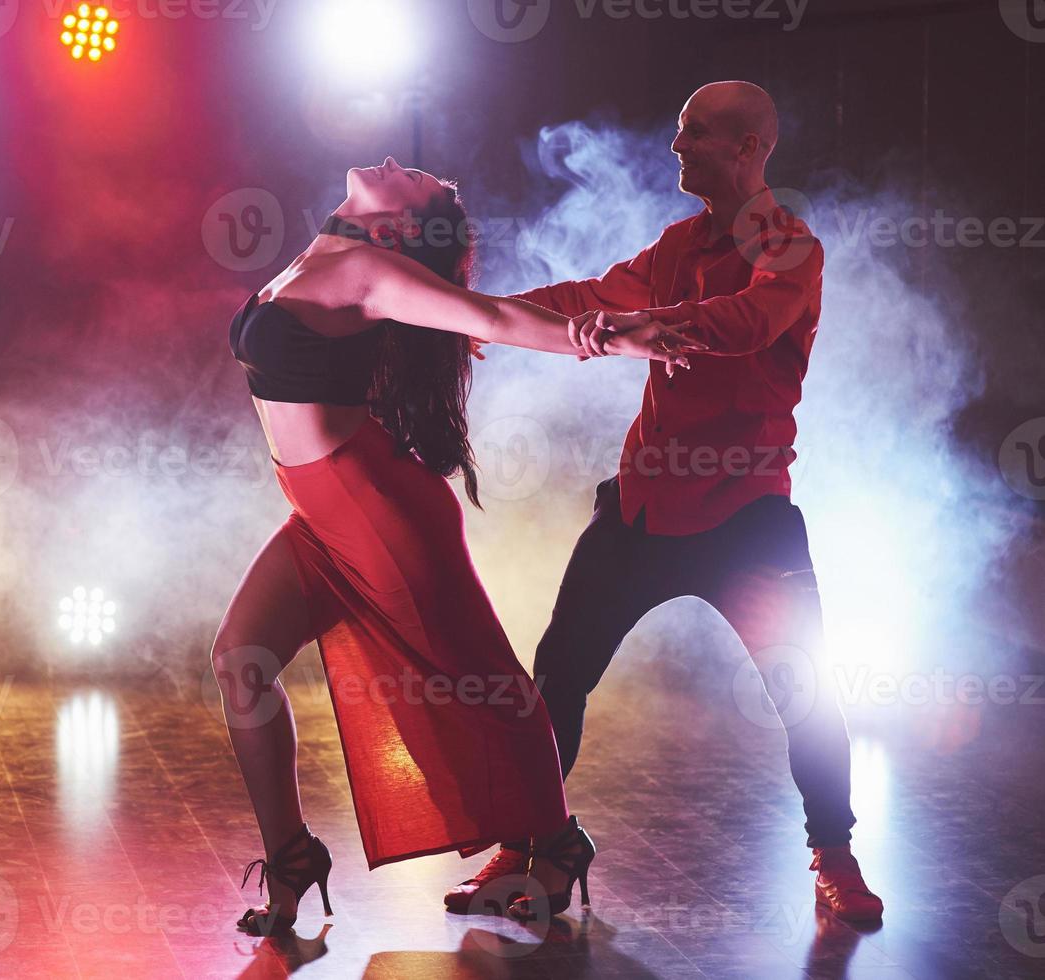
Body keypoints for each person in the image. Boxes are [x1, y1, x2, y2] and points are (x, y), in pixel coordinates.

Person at [217, 156, 700, 935]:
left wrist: (604, 340)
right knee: (240, 660)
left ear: (403, 225)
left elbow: (494, 318)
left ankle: (557, 839)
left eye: (419, 179)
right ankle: (292, 856)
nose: (400, 161)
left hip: (378, 510)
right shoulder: (326, 254)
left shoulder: (367, 270)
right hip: (322, 513)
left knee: (478, 682)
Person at [444, 81, 885, 923]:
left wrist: (643, 326)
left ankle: (836, 857)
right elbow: (589, 299)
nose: (677, 148)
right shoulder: (676, 243)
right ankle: (523, 843)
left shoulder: (792, 248)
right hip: (642, 508)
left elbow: (749, 321)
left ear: (752, 148)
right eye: (680, 132)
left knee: (807, 694)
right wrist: (485, 319)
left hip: (748, 516)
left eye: (699, 134)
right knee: (557, 676)